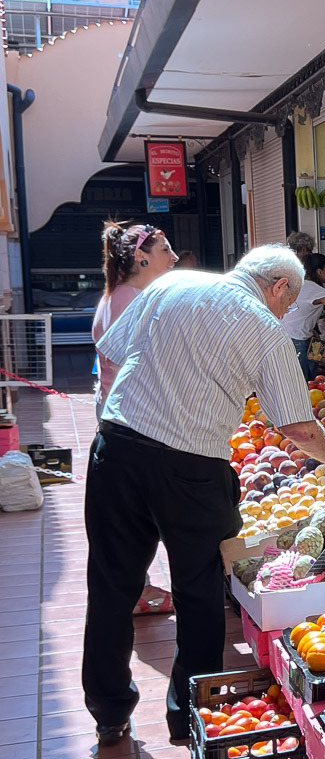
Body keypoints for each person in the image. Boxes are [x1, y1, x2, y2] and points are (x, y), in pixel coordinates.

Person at [85, 246, 325, 746]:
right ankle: (189, 718)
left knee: (112, 584)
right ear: (280, 286)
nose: (288, 312)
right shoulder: (265, 329)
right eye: (289, 301)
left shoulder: (171, 284)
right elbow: (298, 427)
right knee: (199, 592)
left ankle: (109, 711)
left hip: (116, 448)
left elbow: (110, 350)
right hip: (191, 467)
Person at [93, 222, 181, 616]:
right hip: (133, 422)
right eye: (166, 250)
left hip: (119, 414)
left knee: (132, 515)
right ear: (142, 257)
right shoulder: (133, 298)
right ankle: (137, 592)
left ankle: (137, 588)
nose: (174, 257)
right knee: (140, 516)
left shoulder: (122, 294)